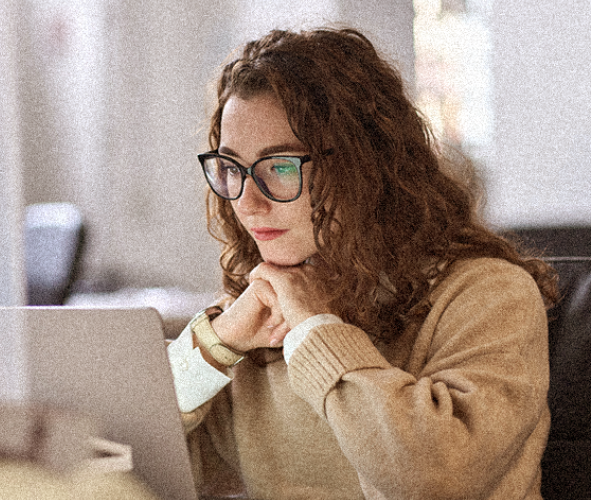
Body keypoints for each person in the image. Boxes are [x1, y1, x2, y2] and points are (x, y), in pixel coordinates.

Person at [167, 27, 558, 499]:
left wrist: (315, 328)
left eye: (281, 166)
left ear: (364, 166)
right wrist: (215, 344)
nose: (247, 202)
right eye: (231, 169)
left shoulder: (490, 294)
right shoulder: (259, 312)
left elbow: (430, 478)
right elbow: (116, 458)